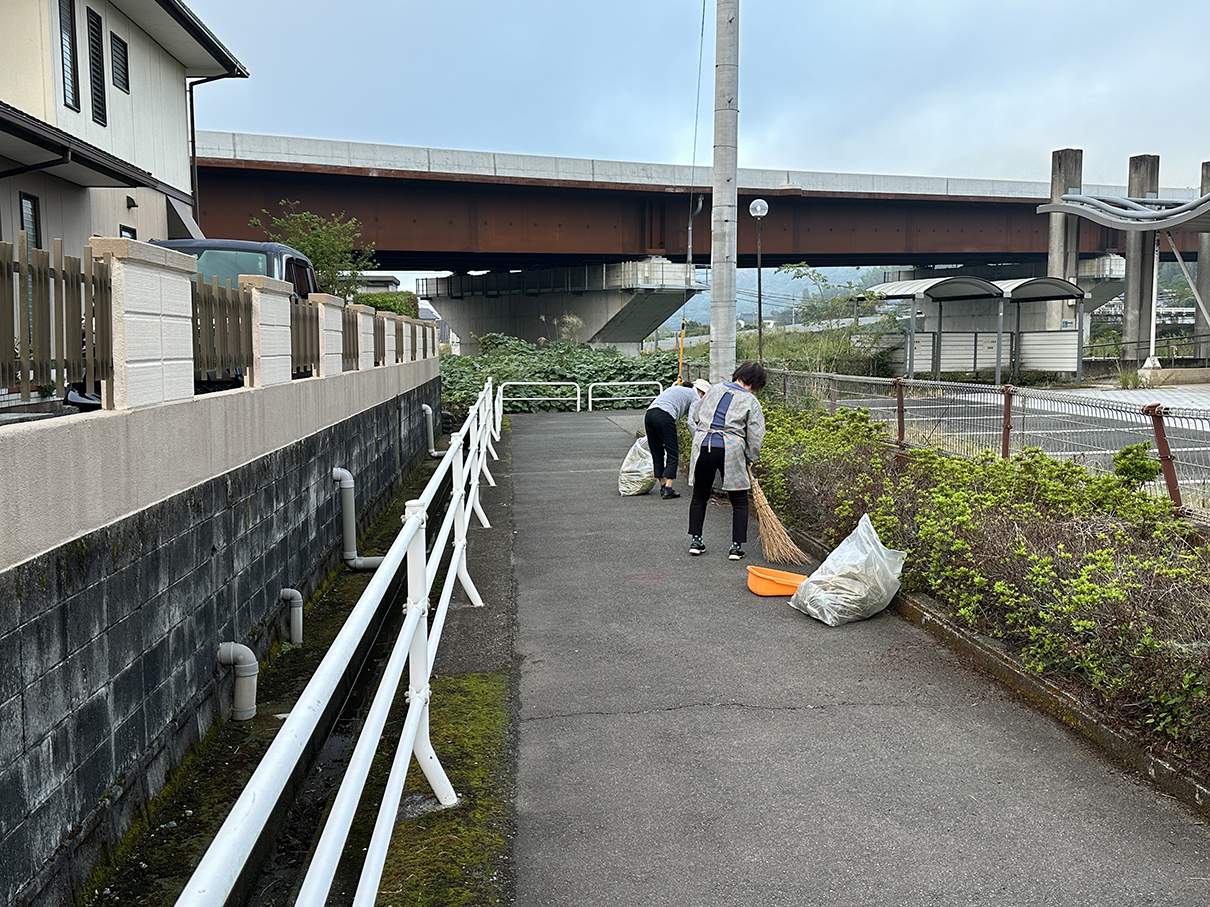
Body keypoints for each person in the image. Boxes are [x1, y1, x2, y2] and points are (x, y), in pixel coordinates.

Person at [687, 361, 767, 559]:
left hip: (704, 444)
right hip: (730, 448)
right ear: (756, 383)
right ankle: (735, 547)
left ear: (738, 374)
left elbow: (697, 415)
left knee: (700, 495)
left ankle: (696, 541)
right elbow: (756, 435)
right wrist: (750, 456)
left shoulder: (714, 390)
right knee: (739, 500)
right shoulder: (750, 401)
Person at [644, 378, 711, 499]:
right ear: (701, 392)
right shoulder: (695, 396)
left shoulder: (676, 388)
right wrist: (698, 440)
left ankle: (663, 485)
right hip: (665, 416)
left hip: (649, 415)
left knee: (657, 452)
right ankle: (668, 489)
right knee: (673, 452)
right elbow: (691, 422)